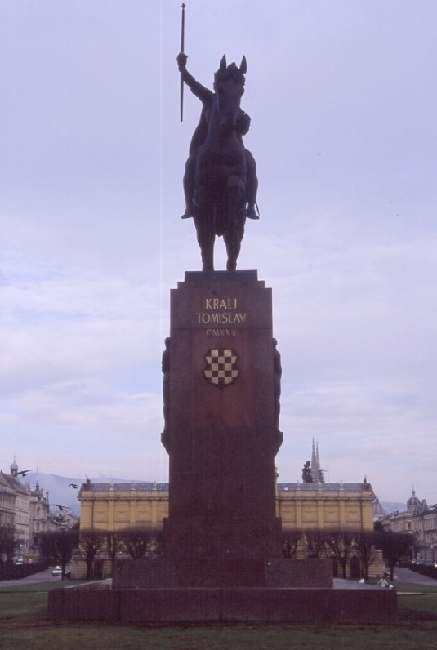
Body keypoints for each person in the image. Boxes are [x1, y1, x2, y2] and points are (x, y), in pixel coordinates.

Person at [177, 52, 259, 220]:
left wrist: (242, 122)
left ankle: (250, 205)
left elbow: (244, 126)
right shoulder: (210, 99)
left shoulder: (237, 111)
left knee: (249, 161)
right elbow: (192, 84)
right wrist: (182, 68)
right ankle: (189, 205)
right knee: (191, 162)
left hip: (234, 152)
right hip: (208, 149)